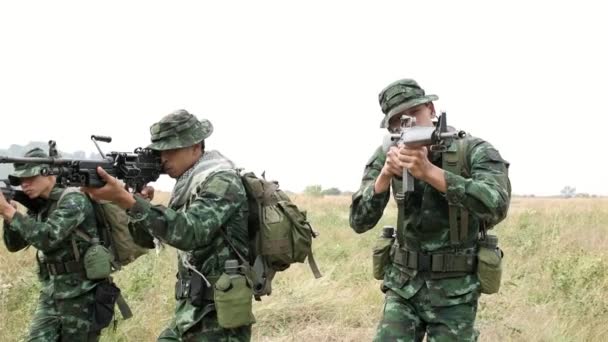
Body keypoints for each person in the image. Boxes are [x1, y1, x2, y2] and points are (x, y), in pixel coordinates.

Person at [349, 79, 511, 341]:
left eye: (414, 113)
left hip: (455, 291)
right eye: (399, 120)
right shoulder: (387, 154)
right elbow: (358, 221)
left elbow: (496, 206)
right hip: (402, 286)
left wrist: (431, 173)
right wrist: (384, 177)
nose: (408, 123)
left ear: (431, 110)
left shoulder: (474, 150)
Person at [83, 109, 253, 341]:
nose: (163, 158)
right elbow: (146, 240)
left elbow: (191, 232)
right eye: (159, 151)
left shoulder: (222, 180)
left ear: (196, 146)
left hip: (220, 312)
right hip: (192, 309)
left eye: (171, 150)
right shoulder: (189, 185)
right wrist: (135, 203)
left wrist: (127, 200)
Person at [0, 147, 112, 341]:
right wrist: (10, 214)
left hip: (82, 294)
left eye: (30, 178)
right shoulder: (40, 205)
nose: (25, 184)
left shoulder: (74, 200)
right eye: (21, 180)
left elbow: (48, 238)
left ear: (51, 174)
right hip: (52, 292)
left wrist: (9, 212)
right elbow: (14, 245)